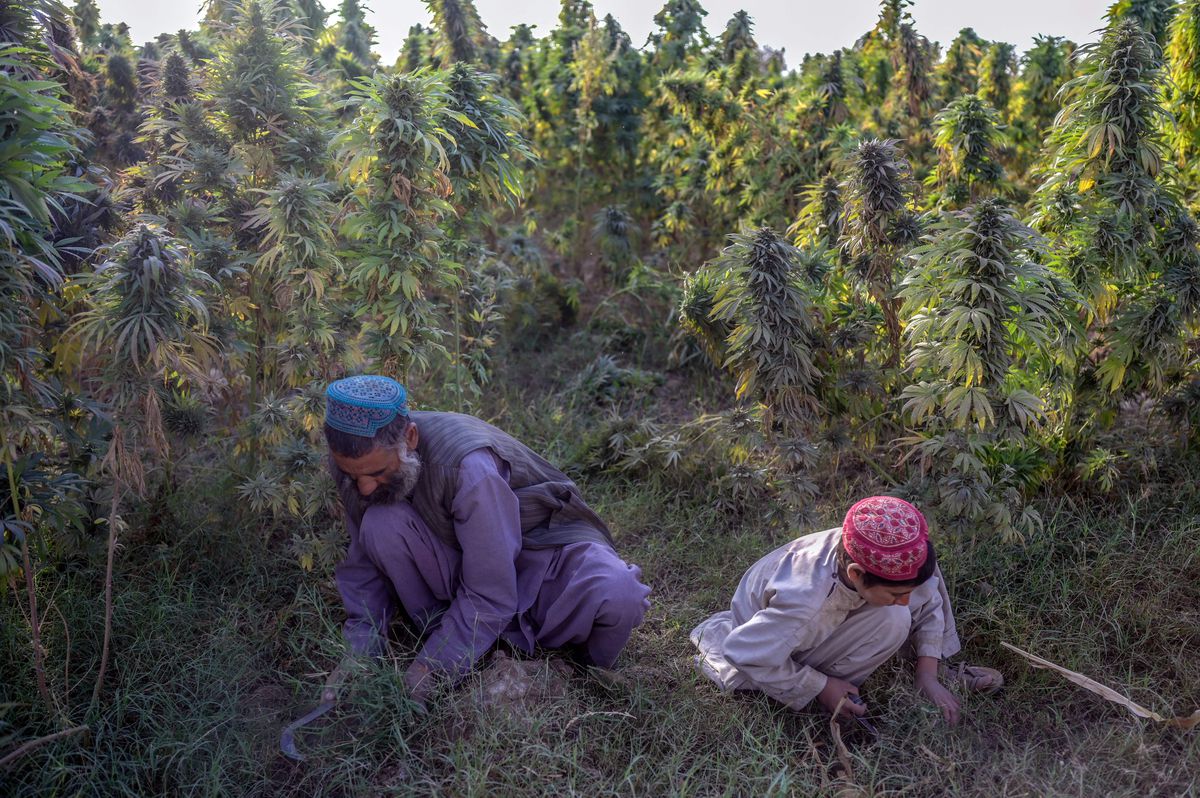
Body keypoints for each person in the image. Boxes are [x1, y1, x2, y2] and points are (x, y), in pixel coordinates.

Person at [323, 375, 651, 705]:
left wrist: (431, 669)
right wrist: (358, 654)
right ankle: (455, 634)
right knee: (381, 523)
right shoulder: (355, 464)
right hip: (459, 560)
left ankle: (582, 672)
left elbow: (491, 592)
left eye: (378, 474)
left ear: (410, 438)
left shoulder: (469, 468)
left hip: (539, 554)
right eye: (354, 477)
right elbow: (362, 568)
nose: (364, 487)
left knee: (618, 593)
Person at [690, 496, 1001, 726]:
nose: (908, 599)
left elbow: (926, 594)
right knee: (894, 618)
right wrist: (820, 686)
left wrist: (928, 676)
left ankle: (924, 670)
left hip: (810, 620)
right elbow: (742, 651)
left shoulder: (892, 550)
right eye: (897, 593)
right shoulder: (807, 606)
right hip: (778, 641)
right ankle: (836, 694)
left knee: (899, 606)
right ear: (855, 574)